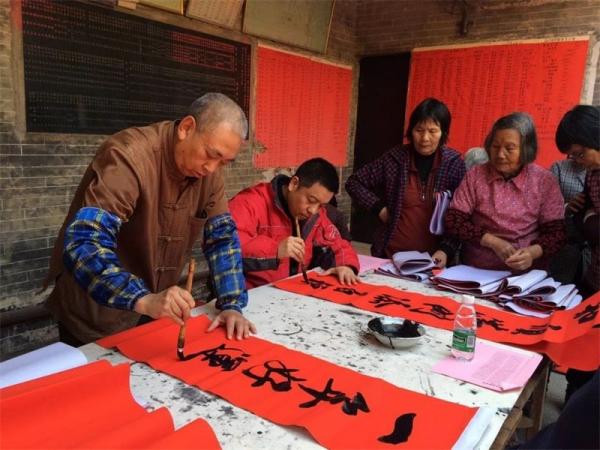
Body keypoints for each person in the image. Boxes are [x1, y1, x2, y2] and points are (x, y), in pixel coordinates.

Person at [44, 93, 256, 345]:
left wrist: (231, 303)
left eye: (224, 162)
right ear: (187, 128)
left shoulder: (210, 175)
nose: (212, 168)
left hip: (153, 312)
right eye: (211, 154)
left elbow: (222, 237)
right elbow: (86, 242)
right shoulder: (129, 156)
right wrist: (143, 299)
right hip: (95, 314)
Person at [345, 98, 466, 266]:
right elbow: (354, 182)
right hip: (390, 256)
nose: (425, 138)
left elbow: (462, 214)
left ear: (443, 132)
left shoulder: (453, 164)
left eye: (433, 131)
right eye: (419, 130)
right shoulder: (395, 159)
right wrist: (379, 208)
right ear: (411, 131)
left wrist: (446, 250)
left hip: (433, 259)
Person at [445, 112, 566, 271]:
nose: (500, 155)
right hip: (476, 271)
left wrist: (532, 253)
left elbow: (557, 233)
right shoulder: (475, 176)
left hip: (525, 276)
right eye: (495, 146)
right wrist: (491, 241)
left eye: (509, 148)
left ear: (526, 149)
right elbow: (454, 220)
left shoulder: (544, 181)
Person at [229, 158, 360, 289]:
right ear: (294, 184)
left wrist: (345, 265)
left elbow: (336, 243)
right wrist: (276, 250)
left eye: (321, 205)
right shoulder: (249, 203)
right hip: (250, 294)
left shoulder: (316, 214)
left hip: (292, 292)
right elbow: (227, 247)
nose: (313, 210)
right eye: (311, 200)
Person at [554, 104, 600, 404]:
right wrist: (586, 217)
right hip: (594, 278)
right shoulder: (593, 175)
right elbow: (582, 222)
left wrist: (589, 220)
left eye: (581, 153)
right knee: (582, 359)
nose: (578, 161)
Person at [548, 157, 588, 284]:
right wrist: (567, 207)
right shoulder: (559, 168)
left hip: (594, 248)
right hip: (567, 243)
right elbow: (547, 205)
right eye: (576, 154)